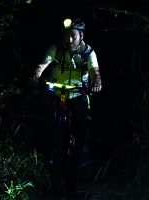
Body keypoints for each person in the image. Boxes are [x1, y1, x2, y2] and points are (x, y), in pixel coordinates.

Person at [31, 18, 102, 196]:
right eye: (67, 35)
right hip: (59, 93)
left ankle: (81, 159)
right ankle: (51, 160)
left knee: (83, 128)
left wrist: (97, 83)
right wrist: (35, 75)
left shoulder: (88, 52)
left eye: (73, 36)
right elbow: (42, 64)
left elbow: (95, 72)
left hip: (79, 94)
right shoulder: (56, 48)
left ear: (81, 36)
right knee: (49, 125)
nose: (69, 39)